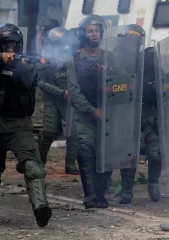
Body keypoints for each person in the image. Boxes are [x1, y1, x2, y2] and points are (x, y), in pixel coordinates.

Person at [0, 23, 52, 227]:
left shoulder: (29, 64)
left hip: (20, 125)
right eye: (5, 44)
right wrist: (2, 59)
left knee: (33, 167)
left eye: (13, 44)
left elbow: (34, 77)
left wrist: (25, 66)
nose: (10, 47)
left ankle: (40, 207)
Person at [67, 15, 112, 209]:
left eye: (96, 30)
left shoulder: (109, 58)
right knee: (85, 151)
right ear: (83, 34)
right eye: (90, 30)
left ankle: (102, 194)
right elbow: (74, 92)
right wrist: (92, 110)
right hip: (86, 114)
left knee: (107, 153)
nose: (94, 34)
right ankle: (90, 196)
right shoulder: (75, 60)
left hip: (110, 115)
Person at [117, 25, 161, 204]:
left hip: (149, 111)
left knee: (155, 150)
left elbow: (163, 80)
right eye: (129, 42)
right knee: (129, 152)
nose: (132, 45)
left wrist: (157, 87)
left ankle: (153, 183)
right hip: (127, 111)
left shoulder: (149, 59)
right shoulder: (116, 60)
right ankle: (126, 190)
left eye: (136, 42)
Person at [37, 26, 79, 175]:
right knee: (49, 132)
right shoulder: (45, 57)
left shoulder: (71, 56)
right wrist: (61, 92)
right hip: (52, 99)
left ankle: (70, 164)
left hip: (69, 99)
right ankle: (39, 161)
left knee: (73, 133)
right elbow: (41, 83)